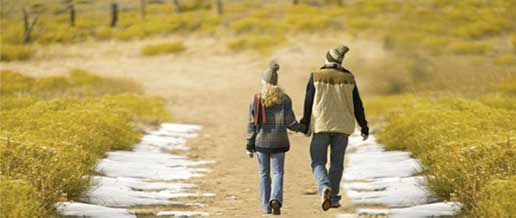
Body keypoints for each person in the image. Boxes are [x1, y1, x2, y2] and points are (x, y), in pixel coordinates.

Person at [300, 45, 369, 211]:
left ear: (327, 59)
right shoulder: (349, 77)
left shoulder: (316, 76)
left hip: (321, 125)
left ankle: (324, 187)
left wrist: (304, 124)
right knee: (337, 164)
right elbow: (357, 104)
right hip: (343, 127)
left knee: (317, 161)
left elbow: (308, 102)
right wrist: (363, 126)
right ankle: (335, 198)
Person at [246, 62, 306, 215]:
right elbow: (291, 123)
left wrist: (249, 144)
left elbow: (252, 124)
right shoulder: (285, 99)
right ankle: (276, 199)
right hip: (279, 141)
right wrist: (303, 128)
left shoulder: (256, 99)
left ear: (265, 81)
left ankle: (266, 206)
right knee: (278, 172)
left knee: (263, 173)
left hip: (261, 142)